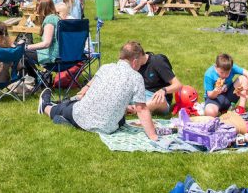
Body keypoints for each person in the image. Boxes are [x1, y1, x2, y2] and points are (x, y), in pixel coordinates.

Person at [37, 41, 165, 146]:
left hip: (82, 118)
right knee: (116, 117)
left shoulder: (105, 68)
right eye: (140, 64)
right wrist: (153, 136)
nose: (140, 67)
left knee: (64, 108)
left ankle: (45, 106)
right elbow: (142, 109)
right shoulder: (136, 77)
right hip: (107, 127)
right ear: (135, 61)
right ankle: (50, 109)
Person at [126, 47, 182, 115]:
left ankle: (133, 109)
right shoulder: (135, 66)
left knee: (159, 100)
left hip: (158, 98)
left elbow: (178, 85)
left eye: (132, 62)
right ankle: (130, 109)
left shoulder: (157, 61)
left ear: (139, 57)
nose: (131, 65)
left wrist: (163, 90)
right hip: (140, 95)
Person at [25, 0, 68, 68]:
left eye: (37, 6)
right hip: (62, 55)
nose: (36, 9)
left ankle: (33, 74)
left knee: (21, 53)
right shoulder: (57, 18)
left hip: (52, 56)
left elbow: (46, 44)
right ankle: (35, 74)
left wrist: (26, 47)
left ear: (42, 8)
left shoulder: (50, 20)